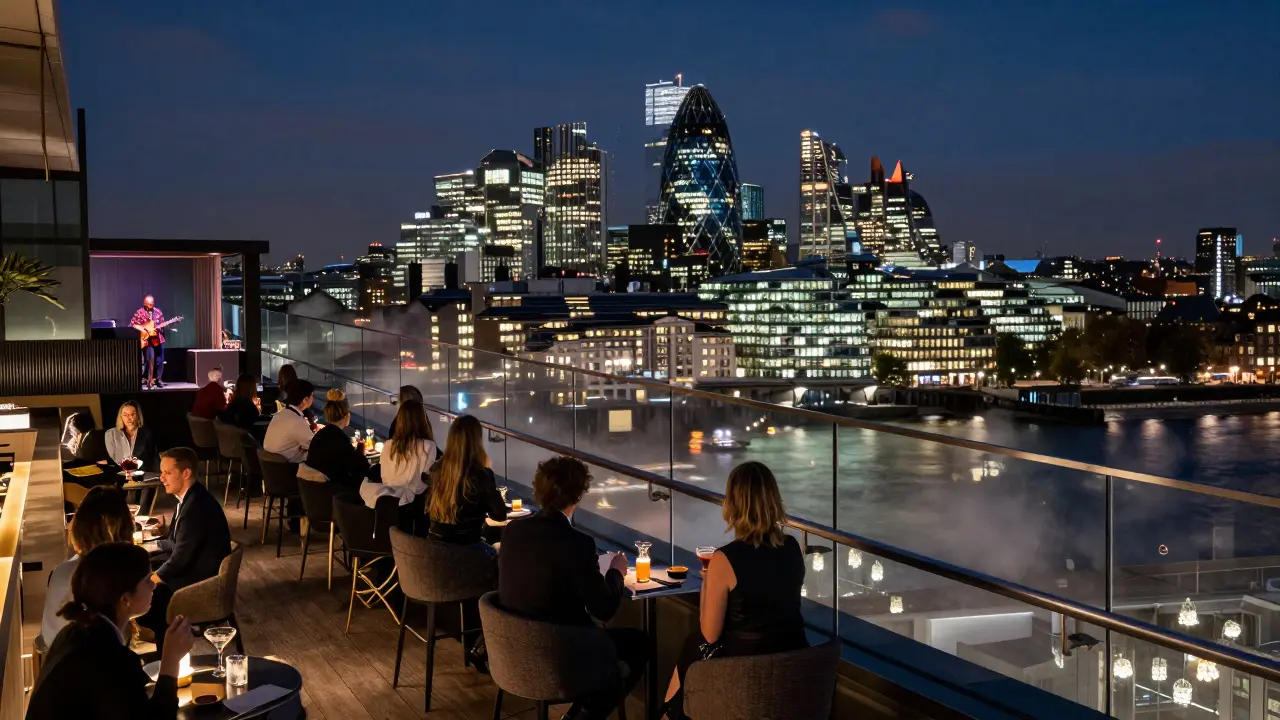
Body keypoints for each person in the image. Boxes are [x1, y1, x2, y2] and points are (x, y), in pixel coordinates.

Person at [498, 456, 645, 720]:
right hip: (559, 652)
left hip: (512, 648)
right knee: (638, 644)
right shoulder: (578, 544)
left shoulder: (513, 530)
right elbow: (604, 609)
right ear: (578, 494)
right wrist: (616, 571)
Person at [661, 461, 807, 720]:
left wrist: (708, 581)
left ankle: (670, 712)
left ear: (733, 505)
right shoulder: (793, 548)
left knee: (693, 644)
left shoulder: (725, 559)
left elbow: (710, 633)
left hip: (743, 675)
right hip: (791, 670)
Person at [26, 542, 194, 720]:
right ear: (125, 599)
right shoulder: (109, 657)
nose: (153, 586)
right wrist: (170, 662)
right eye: (147, 580)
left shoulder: (74, 632)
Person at [137, 448, 231, 653]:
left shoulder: (196, 507)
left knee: (145, 600)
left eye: (167, 473)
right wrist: (148, 544)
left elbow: (180, 560)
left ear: (186, 473)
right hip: (191, 571)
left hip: (199, 583)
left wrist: (150, 581)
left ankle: (164, 657)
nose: (161, 478)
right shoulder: (188, 499)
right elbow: (174, 542)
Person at [40, 486, 134, 648]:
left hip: (56, 657)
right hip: (85, 663)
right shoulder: (103, 576)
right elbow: (117, 639)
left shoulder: (63, 570)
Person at [426, 414, 505, 549]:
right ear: (477, 442)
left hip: (434, 550)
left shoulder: (436, 471)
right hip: (467, 553)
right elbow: (500, 515)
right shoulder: (481, 475)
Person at [359, 399, 436, 509]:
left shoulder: (388, 444)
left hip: (386, 502)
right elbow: (426, 477)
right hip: (413, 505)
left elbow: (383, 473)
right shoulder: (428, 445)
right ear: (423, 420)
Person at [306, 389, 368, 491]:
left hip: (313, 492)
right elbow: (359, 467)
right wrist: (360, 452)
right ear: (347, 415)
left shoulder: (320, 435)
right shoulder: (340, 439)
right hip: (333, 494)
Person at [264, 379, 316, 463]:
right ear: (305, 399)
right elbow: (314, 446)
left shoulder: (280, 414)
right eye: (312, 395)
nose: (313, 398)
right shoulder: (297, 421)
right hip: (288, 468)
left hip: (271, 467)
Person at [130, 294, 168, 389]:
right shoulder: (140, 312)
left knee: (160, 360)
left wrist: (159, 327)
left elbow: (162, 323)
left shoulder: (158, 312)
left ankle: (158, 379)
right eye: (148, 302)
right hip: (147, 340)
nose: (150, 304)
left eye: (152, 302)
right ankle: (149, 379)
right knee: (149, 360)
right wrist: (144, 330)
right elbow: (133, 324)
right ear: (144, 303)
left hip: (158, 339)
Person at [105, 401, 157, 468]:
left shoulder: (147, 433)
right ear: (121, 416)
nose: (129, 418)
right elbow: (111, 459)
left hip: (141, 473)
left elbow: (153, 458)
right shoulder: (111, 434)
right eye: (125, 415)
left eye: (133, 414)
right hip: (118, 472)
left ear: (138, 416)